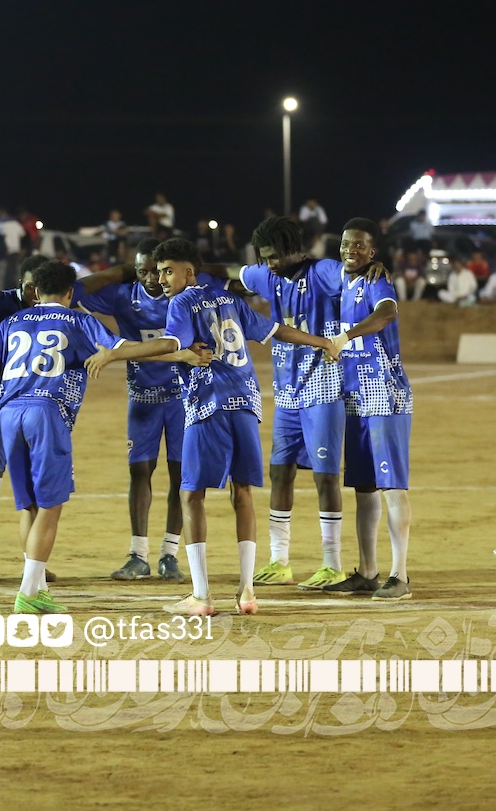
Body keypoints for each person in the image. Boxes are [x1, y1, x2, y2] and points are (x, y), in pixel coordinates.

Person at [89, 239, 339, 616]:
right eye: (159, 272)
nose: (161, 278)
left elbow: (170, 343)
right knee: (243, 493)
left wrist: (115, 352)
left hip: (208, 404)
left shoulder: (182, 302)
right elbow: (276, 330)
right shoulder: (229, 299)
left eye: (168, 271)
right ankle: (247, 592)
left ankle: (202, 595)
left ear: (189, 272)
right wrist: (322, 342)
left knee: (191, 494)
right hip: (247, 404)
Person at [0, 261, 126, 612]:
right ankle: (29, 593)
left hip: (8, 413)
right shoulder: (78, 320)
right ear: (71, 292)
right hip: (47, 411)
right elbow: (120, 348)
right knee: (50, 505)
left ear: (36, 291)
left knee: (27, 504)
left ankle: (38, 586)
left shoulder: (12, 321)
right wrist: (177, 352)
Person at [232, 217, 353, 591]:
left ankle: (332, 564)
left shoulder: (323, 272)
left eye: (273, 256)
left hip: (324, 388)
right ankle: (279, 560)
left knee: (325, 476)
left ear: (293, 250)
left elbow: (354, 276)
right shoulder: (267, 276)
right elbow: (232, 274)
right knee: (280, 472)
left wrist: (371, 268)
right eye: (264, 257)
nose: (268, 264)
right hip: (287, 393)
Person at [80, 237, 203, 582]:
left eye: (156, 270)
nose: (151, 278)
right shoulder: (123, 296)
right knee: (140, 472)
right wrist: (117, 272)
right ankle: (138, 555)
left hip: (182, 398)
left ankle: (170, 554)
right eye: (141, 271)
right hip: (143, 398)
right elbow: (75, 292)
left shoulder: (186, 297)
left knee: (181, 475)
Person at [324, 219, 415, 600]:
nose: (352, 250)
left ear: (372, 251)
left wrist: (346, 336)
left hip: (385, 393)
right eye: (347, 244)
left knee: (392, 485)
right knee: (364, 486)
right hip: (355, 395)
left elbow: (387, 314)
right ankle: (368, 572)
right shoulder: (341, 280)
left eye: (360, 245)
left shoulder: (378, 281)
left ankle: (400, 576)